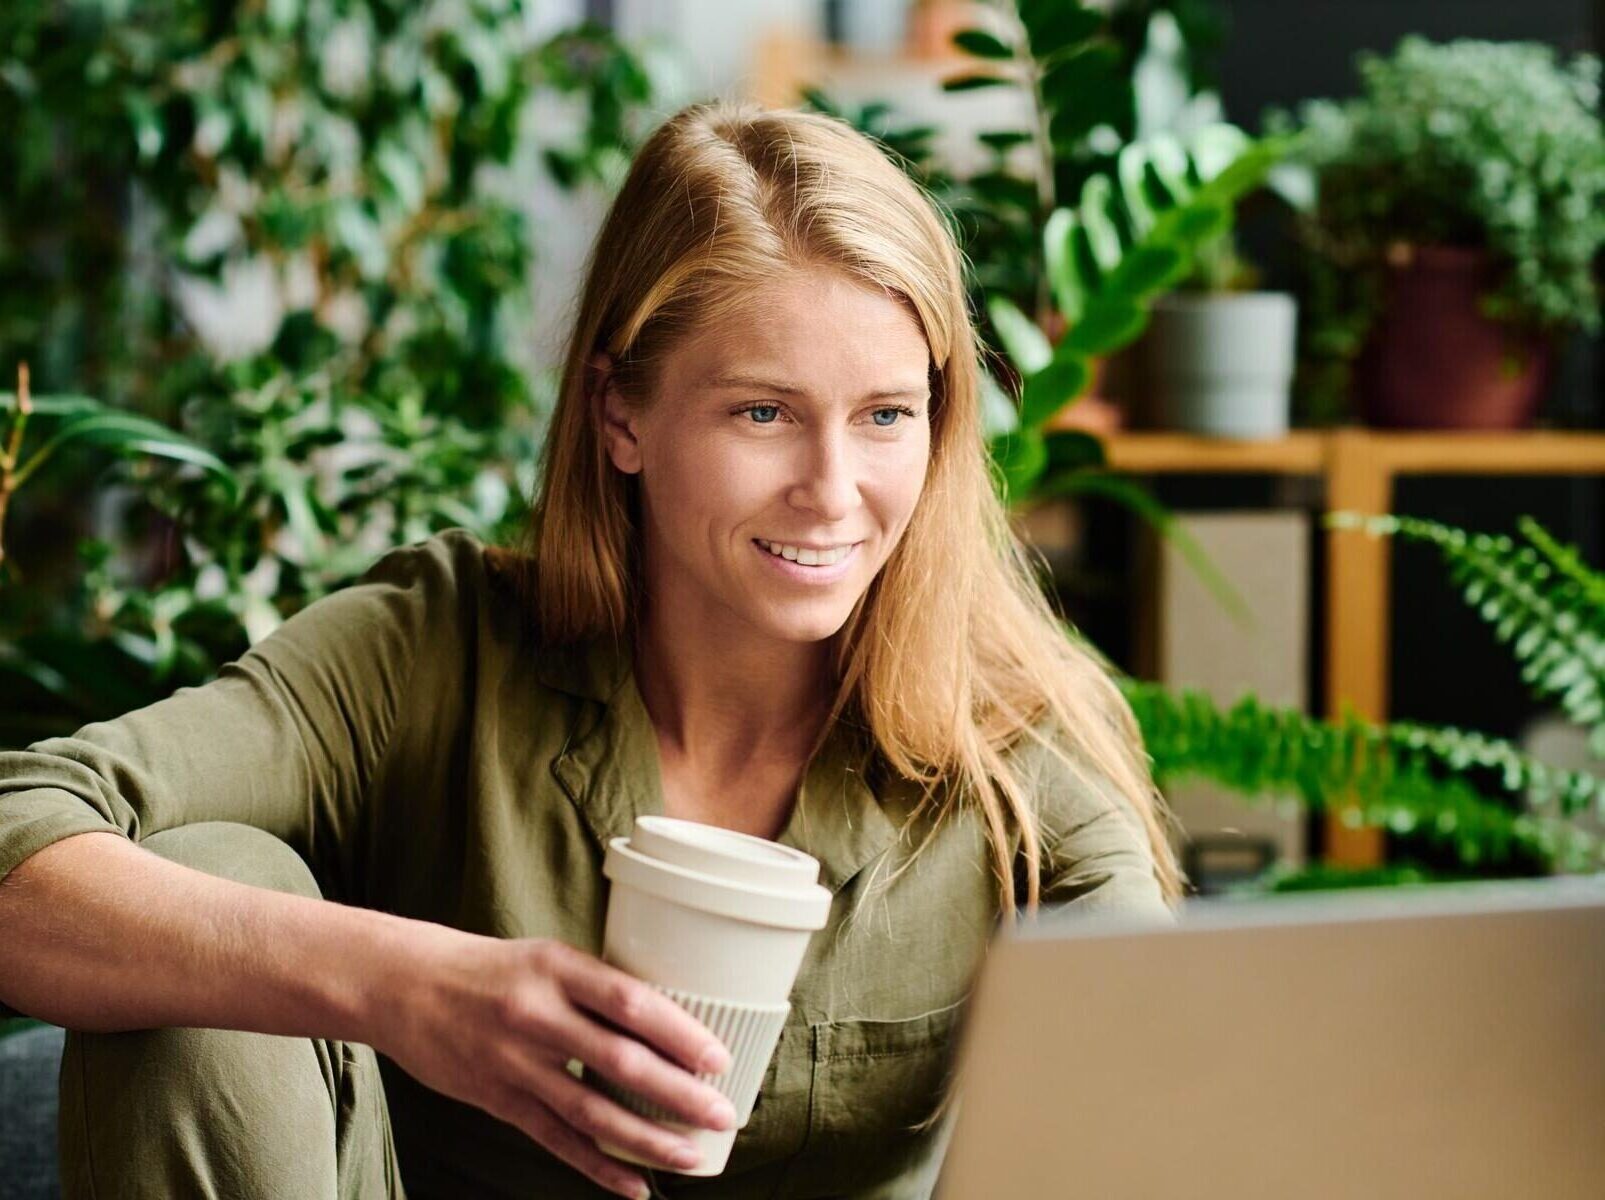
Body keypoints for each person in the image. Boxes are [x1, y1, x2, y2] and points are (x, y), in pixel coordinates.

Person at [0, 99, 1186, 1200]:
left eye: (886, 415)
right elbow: (22, 832)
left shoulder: (1014, 751)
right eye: (762, 413)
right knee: (209, 887)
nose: (835, 491)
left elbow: (1184, 1085)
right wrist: (412, 988)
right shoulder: (437, 651)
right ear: (623, 414)